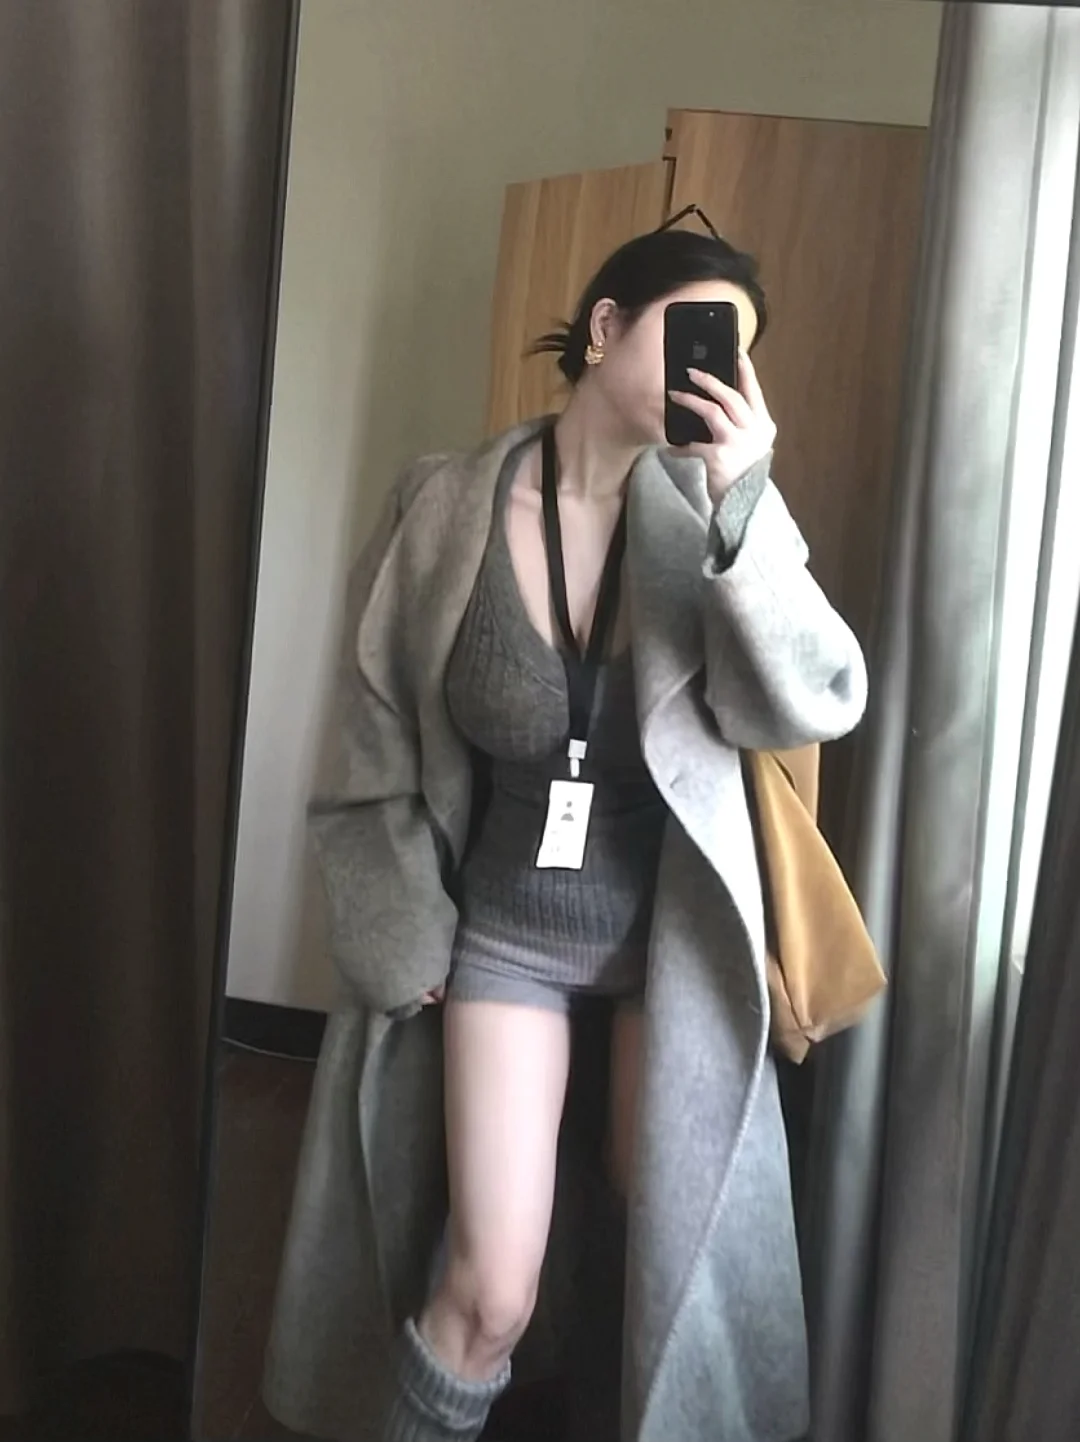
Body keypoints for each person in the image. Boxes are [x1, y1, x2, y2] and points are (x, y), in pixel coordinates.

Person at [263, 228, 868, 1442]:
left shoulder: (713, 519)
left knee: (660, 1261)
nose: (717, 370)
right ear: (604, 328)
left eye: (737, 351)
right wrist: (400, 919)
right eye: (698, 332)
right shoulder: (445, 504)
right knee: (489, 1290)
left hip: (670, 951)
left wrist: (747, 505)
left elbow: (814, 698)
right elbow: (374, 727)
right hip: (505, 938)